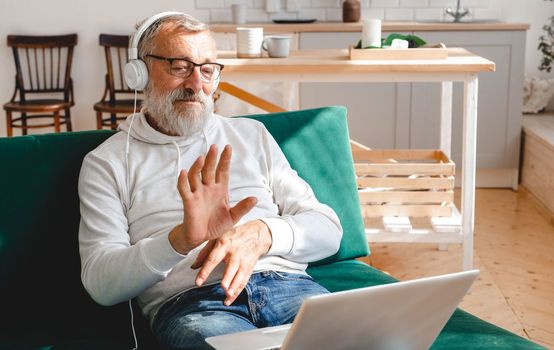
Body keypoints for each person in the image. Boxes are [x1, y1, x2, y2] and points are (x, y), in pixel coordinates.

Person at [78, 12, 342, 349]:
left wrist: (262, 234)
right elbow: (101, 283)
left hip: (288, 286)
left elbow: (328, 229)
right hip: (193, 303)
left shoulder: (251, 134)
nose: (195, 84)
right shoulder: (108, 162)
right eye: (179, 66)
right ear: (139, 73)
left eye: (207, 70)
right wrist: (180, 240)